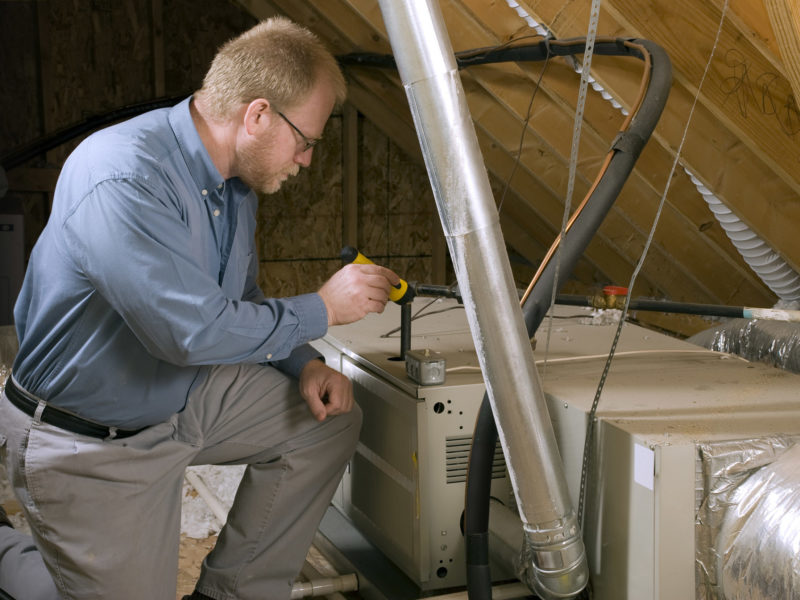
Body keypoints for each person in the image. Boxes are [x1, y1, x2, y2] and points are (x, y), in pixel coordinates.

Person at [0, 17, 399, 600]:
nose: (308, 159)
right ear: (258, 116)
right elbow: (187, 333)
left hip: (177, 400)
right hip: (89, 442)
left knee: (327, 424)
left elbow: (241, 303)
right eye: (306, 141)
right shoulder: (122, 174)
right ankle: (13, 556)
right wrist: (323, 308)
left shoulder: (231, 184)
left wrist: (305, 364)